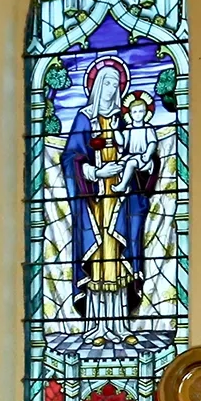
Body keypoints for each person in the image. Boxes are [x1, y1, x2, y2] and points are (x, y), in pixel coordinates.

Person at [61, 57, 154, 321]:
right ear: (98, 86)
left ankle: (120, 325)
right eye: (108, 83)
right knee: (98, 256)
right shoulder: (84, 118)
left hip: (122, 200)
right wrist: (95, 172)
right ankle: (96, 326)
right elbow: (70, 158)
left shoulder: (125, 120)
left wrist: (138, 164)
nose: (112, 89)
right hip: (94, 201)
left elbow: (141, 150)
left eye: (116, 84)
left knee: (118, 255)